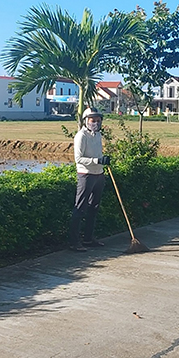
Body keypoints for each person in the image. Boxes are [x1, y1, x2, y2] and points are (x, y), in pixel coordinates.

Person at [69, 107, 111, 252]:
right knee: (80, 208)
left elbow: (98, 153)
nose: (96, 123)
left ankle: (88, 238)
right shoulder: (81, 136)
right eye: (93, 120)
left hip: (99, 174)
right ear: (86, 120)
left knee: (94, 207)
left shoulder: (98, 135)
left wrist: (103, 160)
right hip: (85, 175)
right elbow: (78, 159)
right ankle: (74, 242)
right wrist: (97, 160)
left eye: (98, 120)